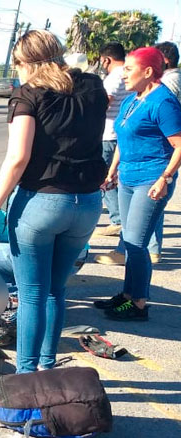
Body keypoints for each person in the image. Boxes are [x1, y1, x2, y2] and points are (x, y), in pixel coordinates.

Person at [0, 30, 107, 373]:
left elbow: (17, 158)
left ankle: (26, 375)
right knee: (55, 291)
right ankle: (47, 368)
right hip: (87, 202)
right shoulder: (92, 86)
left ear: (25, 61)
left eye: (17, 64)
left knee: (32, 294)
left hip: (42, 201)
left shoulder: (28, 94)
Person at [94, 47, 181, 321]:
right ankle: (128, 294)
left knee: (136, 242)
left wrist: (165, 178)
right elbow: (123, 137)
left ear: (148, 72)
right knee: (129, 240)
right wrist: (112, 171)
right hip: (128, 178)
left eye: (129, 70)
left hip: (151, 179)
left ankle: (139, 304)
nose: (124, 75)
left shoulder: (163, 102)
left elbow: (179, 145)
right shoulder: (133, 99)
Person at [93, 43, 131, 240]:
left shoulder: (114, 77)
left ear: (106, 59)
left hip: (108, 134)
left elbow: (104, 103)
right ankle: (121, 218)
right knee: (115, 177)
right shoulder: (130, 73)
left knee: (105, 178)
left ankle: (117, 220)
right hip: (122, 133)